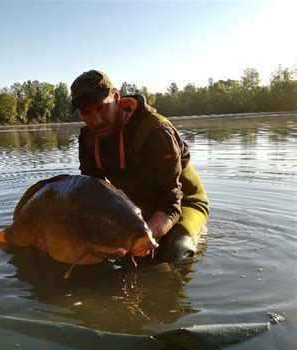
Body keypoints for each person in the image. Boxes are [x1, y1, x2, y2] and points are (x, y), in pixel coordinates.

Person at [71, 69, 209, 262]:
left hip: (183, 203)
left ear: (116, 97)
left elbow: (171, 204)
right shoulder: (87, 139)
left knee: (175, 253)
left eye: (101, 108)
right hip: (138, 209)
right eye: (86, 113)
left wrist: (142, 238)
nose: (96, 120)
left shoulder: (156, 131)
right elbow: (94, 197)